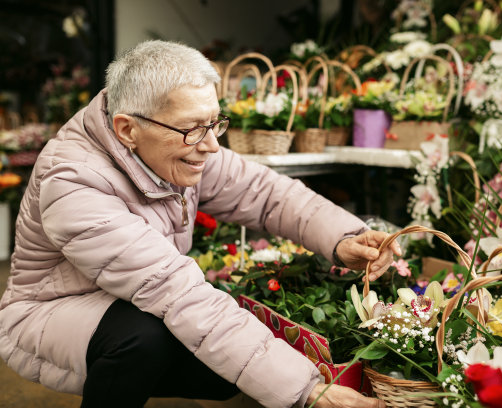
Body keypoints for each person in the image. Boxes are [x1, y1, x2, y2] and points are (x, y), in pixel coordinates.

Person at [0, 40, 400, 408]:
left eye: (214, 123)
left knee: (226, 370)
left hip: (126, 299)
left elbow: (267, 194)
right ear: (127, 129)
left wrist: (346, 238)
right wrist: (308, 390)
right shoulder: (74, 182)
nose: (210, 144)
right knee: (143, 338)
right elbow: (177, 292)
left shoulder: (182, 146)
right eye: (193, 128)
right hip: (50, 312)